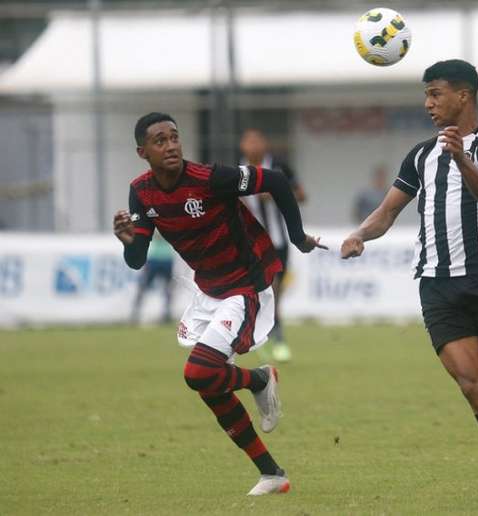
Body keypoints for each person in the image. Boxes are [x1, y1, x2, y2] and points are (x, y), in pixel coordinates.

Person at [340, 60, 478, 506]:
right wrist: (360, 234)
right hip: (437, 287)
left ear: (464, 95)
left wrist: (461, 157)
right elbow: (386, 213)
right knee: (471, 386)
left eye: (435, 93)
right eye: (426, 94)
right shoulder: (420, 155)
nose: (428, 103)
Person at [113, 112, 325, 496]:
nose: (171, 145)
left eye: (174, 137)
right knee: (210, 384)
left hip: (246, 286)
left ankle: (260, 379)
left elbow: (275, 180)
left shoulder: (210, 178)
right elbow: (138, 259)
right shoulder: (141, 192)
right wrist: (129, 242)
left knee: (198, 373)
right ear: (143, 152)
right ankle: (271, 473)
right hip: (210, 292)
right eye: (160, 140)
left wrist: (295, 236)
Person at [239, 128, 306, 363]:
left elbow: (302, 196)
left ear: (264, 144)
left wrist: (278, 193)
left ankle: (271, 337)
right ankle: (271, 339)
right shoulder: (236, 172)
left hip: (277, 240)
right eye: (249, 140)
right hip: (248, 243)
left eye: (258, 139)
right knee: (261, 291)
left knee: (274, 292)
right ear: (242, 145)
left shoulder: (279, 167)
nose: (254, 144)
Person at [130, 232, 174, 324]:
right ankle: (135, 313)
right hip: (154, 258)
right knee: (143, 286)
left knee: (168, 288)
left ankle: (167, 313)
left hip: (167, 258)